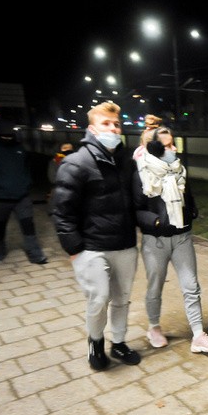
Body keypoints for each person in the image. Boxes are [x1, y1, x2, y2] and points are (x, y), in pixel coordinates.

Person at [51, 101, 141, 370]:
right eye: (106, 124)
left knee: (122, 298)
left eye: (116, 124)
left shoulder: (126, 162)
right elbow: (62, 211)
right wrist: (74, 248)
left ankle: (120, 343)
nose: (113, 128)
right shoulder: (76, 163)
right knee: (99, 298)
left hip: (124, 244)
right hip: (92, 247)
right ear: (92, 128)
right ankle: (96, 342)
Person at [132, 117, 208, 353]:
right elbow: (136, 209)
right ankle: (153, 327)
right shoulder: (142, 173)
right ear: (155, 148)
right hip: (155, 241)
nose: (174, 149)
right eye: (168, 146)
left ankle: (198, 335)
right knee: (155, 287)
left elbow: (187, 197)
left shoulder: (180, 170)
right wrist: (156, 221)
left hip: (182, 237)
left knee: (191, 286)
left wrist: (191, 211)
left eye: (173, 144)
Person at [0, 124, 47, 264]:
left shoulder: (19, 148)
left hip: (22, 196)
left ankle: (36, 254)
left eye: (10, 136)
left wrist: (27, 181)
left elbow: (26, 167)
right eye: (4, 136)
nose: (8, 138)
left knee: (28, 225)